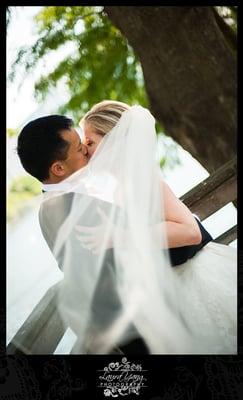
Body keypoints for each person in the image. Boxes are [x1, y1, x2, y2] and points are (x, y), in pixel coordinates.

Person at [16, 101, 237, 355]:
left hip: (188, 285)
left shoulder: (95, 192)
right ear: (58, 168)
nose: (86, 152)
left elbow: (187, 233)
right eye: (81, 147)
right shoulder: (66, 208)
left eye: (89, 143)